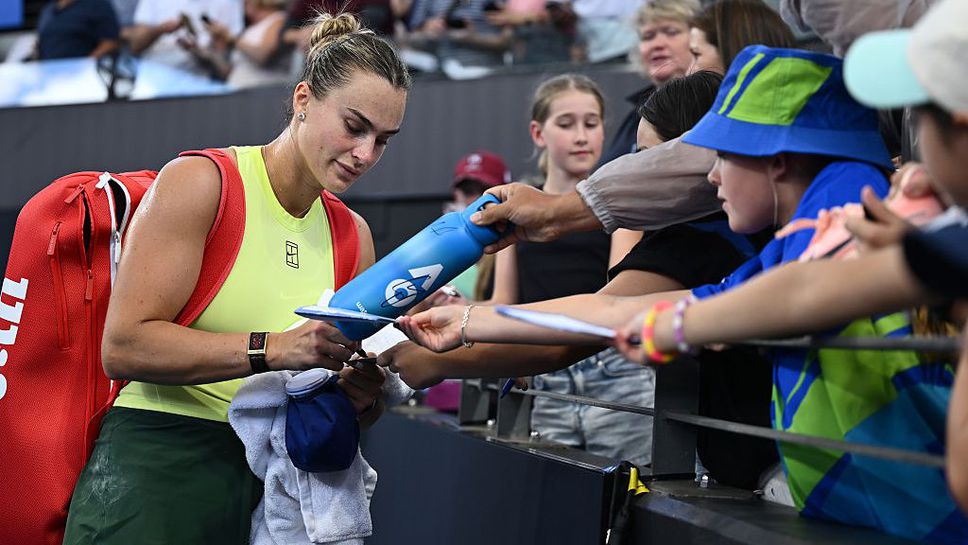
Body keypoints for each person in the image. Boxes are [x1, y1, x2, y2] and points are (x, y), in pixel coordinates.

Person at [397, 45, 966, 543]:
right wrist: (469, 320)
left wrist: (688, 324)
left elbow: (799, 291)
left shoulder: (847, 200)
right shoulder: (785, 247)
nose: (706, 178)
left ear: (779, 159)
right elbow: (620, 309)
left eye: (719, 155)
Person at [62, 12, 411, 544]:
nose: (365, 154)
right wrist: (272, 349)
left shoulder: (353, 236)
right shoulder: (202, 183)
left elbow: (348, 406)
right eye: (354, 126)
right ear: (303, 100)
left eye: (383, 140)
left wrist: (361, 395)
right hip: (155, 468)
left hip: (274, 488)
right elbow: (125, 345)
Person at [621, 0, 968, 516]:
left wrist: (676, 325)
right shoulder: (943, 243)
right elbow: (807, 288)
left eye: (918, 109)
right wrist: (681, 324)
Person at [383, 70, 778, 487]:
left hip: (754, 463)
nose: (638, 176)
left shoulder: (704, 240)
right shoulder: (730, 238)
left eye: (650, 160)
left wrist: (439, 351)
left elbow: (592, 322)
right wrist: (461, 321)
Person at [476, 0, 795, 248]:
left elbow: (617, 307)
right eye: (647, 36)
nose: (714, 173)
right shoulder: (633, 119)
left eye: (672, 33)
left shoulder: (720, 243)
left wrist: (558, 209)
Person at [599, 0, 699, 165]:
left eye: (671, 32)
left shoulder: (710, 105)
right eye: (648, 36)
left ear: (698, 40)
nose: (657, 44)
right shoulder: (636, 114)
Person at [127, 0, 243, 78]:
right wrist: (161, 30)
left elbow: (226, 70)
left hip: (201, 79)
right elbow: (135, 46)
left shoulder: (227, 3)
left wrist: (202, 53)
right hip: (156, 73)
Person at [35, 0, 120, 60]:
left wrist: (86, 64)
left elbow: (110, 42)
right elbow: (40, 42)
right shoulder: (48, 10)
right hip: (48, 75)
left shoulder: (96, 4)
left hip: (81, 77)